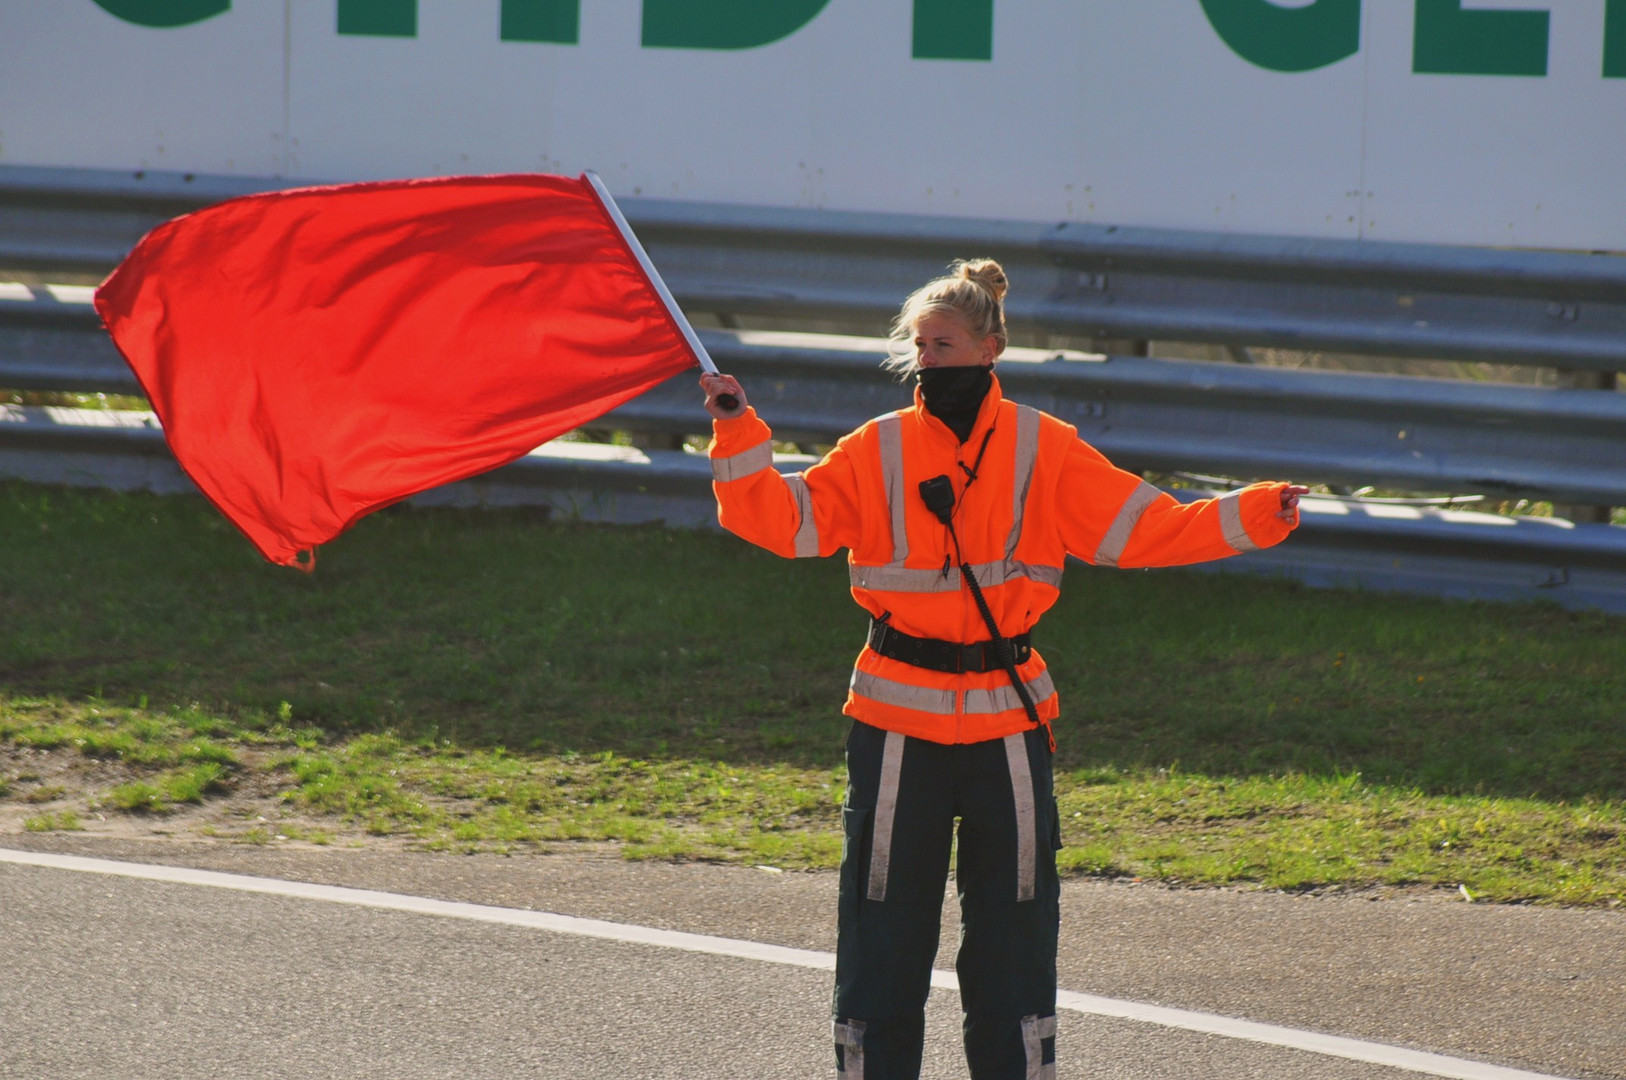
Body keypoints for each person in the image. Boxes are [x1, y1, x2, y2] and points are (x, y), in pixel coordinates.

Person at [699, 259, 1306, 1080]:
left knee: (1016, 934)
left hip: (1010, 727)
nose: (929, 361)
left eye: (944, 345)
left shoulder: (1046, 448)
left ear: (992, 348)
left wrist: (1259, 512)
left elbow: (1149, 528)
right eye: (919, 347)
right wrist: (737, 433)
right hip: (895, 725)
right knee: (882, 929)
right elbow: (781, 520)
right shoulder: (877, 447)